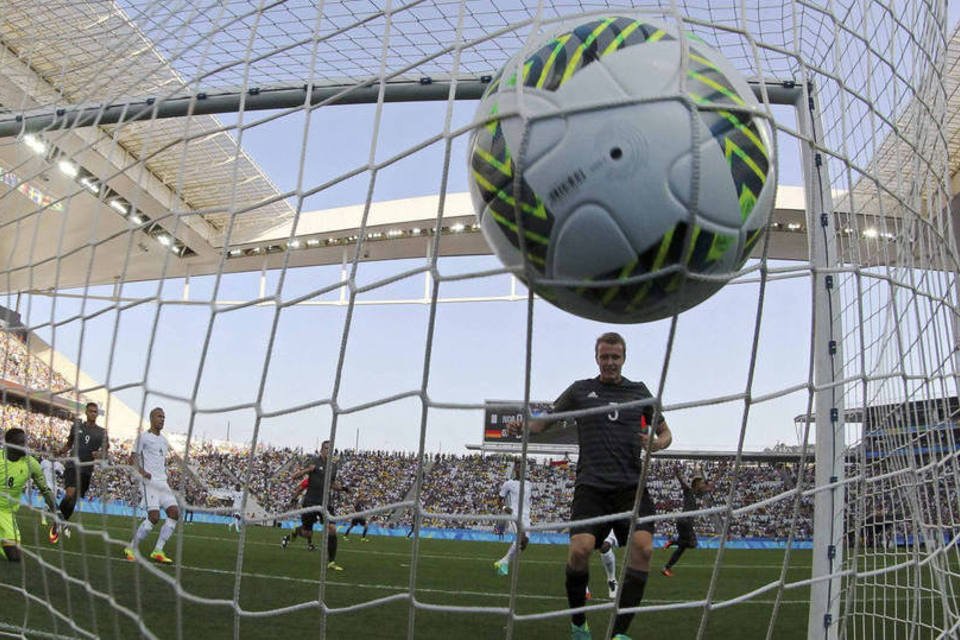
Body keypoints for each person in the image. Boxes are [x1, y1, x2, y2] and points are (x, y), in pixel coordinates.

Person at [512, 331, 672, 640]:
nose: (610, 362)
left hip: (631, 487)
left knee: (644, 549)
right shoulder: (580, 391)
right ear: (596, 358)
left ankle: (620, 634)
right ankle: (578, 624)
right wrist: (524, 424)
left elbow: (666, 434)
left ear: (623, 358)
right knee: (580, 550)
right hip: (592, 486)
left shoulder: (640, 392)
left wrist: (656, 443)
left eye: (615, 357)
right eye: (604, 357)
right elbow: (543, 422)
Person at [123, 407, 179, 564]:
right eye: (159, 416)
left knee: (174, 513)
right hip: (149, 483)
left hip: (163, 482)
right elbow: (132, 459)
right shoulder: (143, 438)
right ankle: (131, 548)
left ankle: (158, 550)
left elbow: (159, 461)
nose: (162, 419)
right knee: (154, 517)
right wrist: (142, 472)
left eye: (164, 417)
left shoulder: (164, 440)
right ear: (152, 418)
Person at [51, 401, 109, 543]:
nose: (93, 414)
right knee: (69, 493)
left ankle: (61, 521)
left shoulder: (102, 432)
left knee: (73, 502)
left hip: (87, 470)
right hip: (72, 465)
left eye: (95, 412)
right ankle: (56, 520)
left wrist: (99, 455)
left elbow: (106, 452)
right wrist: (59, 451)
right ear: (86, 412)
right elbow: (69, 444)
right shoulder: (76, 426)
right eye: (91, 411)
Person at [281, 440, 343, 571]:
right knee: (307, 532)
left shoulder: (334, 466)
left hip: (326, 502)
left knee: (332, 528)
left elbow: (331, 484)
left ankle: (331, 562)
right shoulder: (313, 461)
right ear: (321, 450)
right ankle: (296, 531)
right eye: (326, 448)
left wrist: (342, 488)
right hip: (311, 501)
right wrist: (308, 470)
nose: (329, 451)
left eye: (331, 449)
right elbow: (295, 476)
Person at [1, 428, 58, 562]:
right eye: (21, 442)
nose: (25, 445)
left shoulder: (31, 463)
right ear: (9, 443)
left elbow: (45, 490)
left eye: (26, 442)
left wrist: (57, 511)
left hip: (7, 513)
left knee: (15, 557)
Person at [662, 467, 712, 577]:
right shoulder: (689, 491)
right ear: (696, 484)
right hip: (685, 521)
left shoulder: (699, 494)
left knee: (682, 548)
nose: (702, 485)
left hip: (684, 522)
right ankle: (672, 543)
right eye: (700, 483)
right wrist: (678, 475)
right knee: (692, 544)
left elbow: (709, 487)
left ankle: (667, 567)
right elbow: (682, 483)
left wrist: (705, 474)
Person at [493, 462, 532, 576]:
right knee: (522, 538)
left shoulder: (529, 484)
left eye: (522, 467)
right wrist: (506, 508)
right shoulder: (509, 484)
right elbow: (499, 500)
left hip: (526, 516)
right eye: (518, 467)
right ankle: (504, 562)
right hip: (515, 514)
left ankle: (504, 561)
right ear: (515, 469)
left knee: (524, 544)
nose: (520, 469)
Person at [37, 457, 64, 527]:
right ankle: (44, 517)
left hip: (55, 486)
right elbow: (38, 472)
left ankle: (45, 514)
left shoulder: (58, 464)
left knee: (52, 504)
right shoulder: (44, 462)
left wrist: (60, 474)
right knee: (50, 501)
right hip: (46, 484)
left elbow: (63, 475)